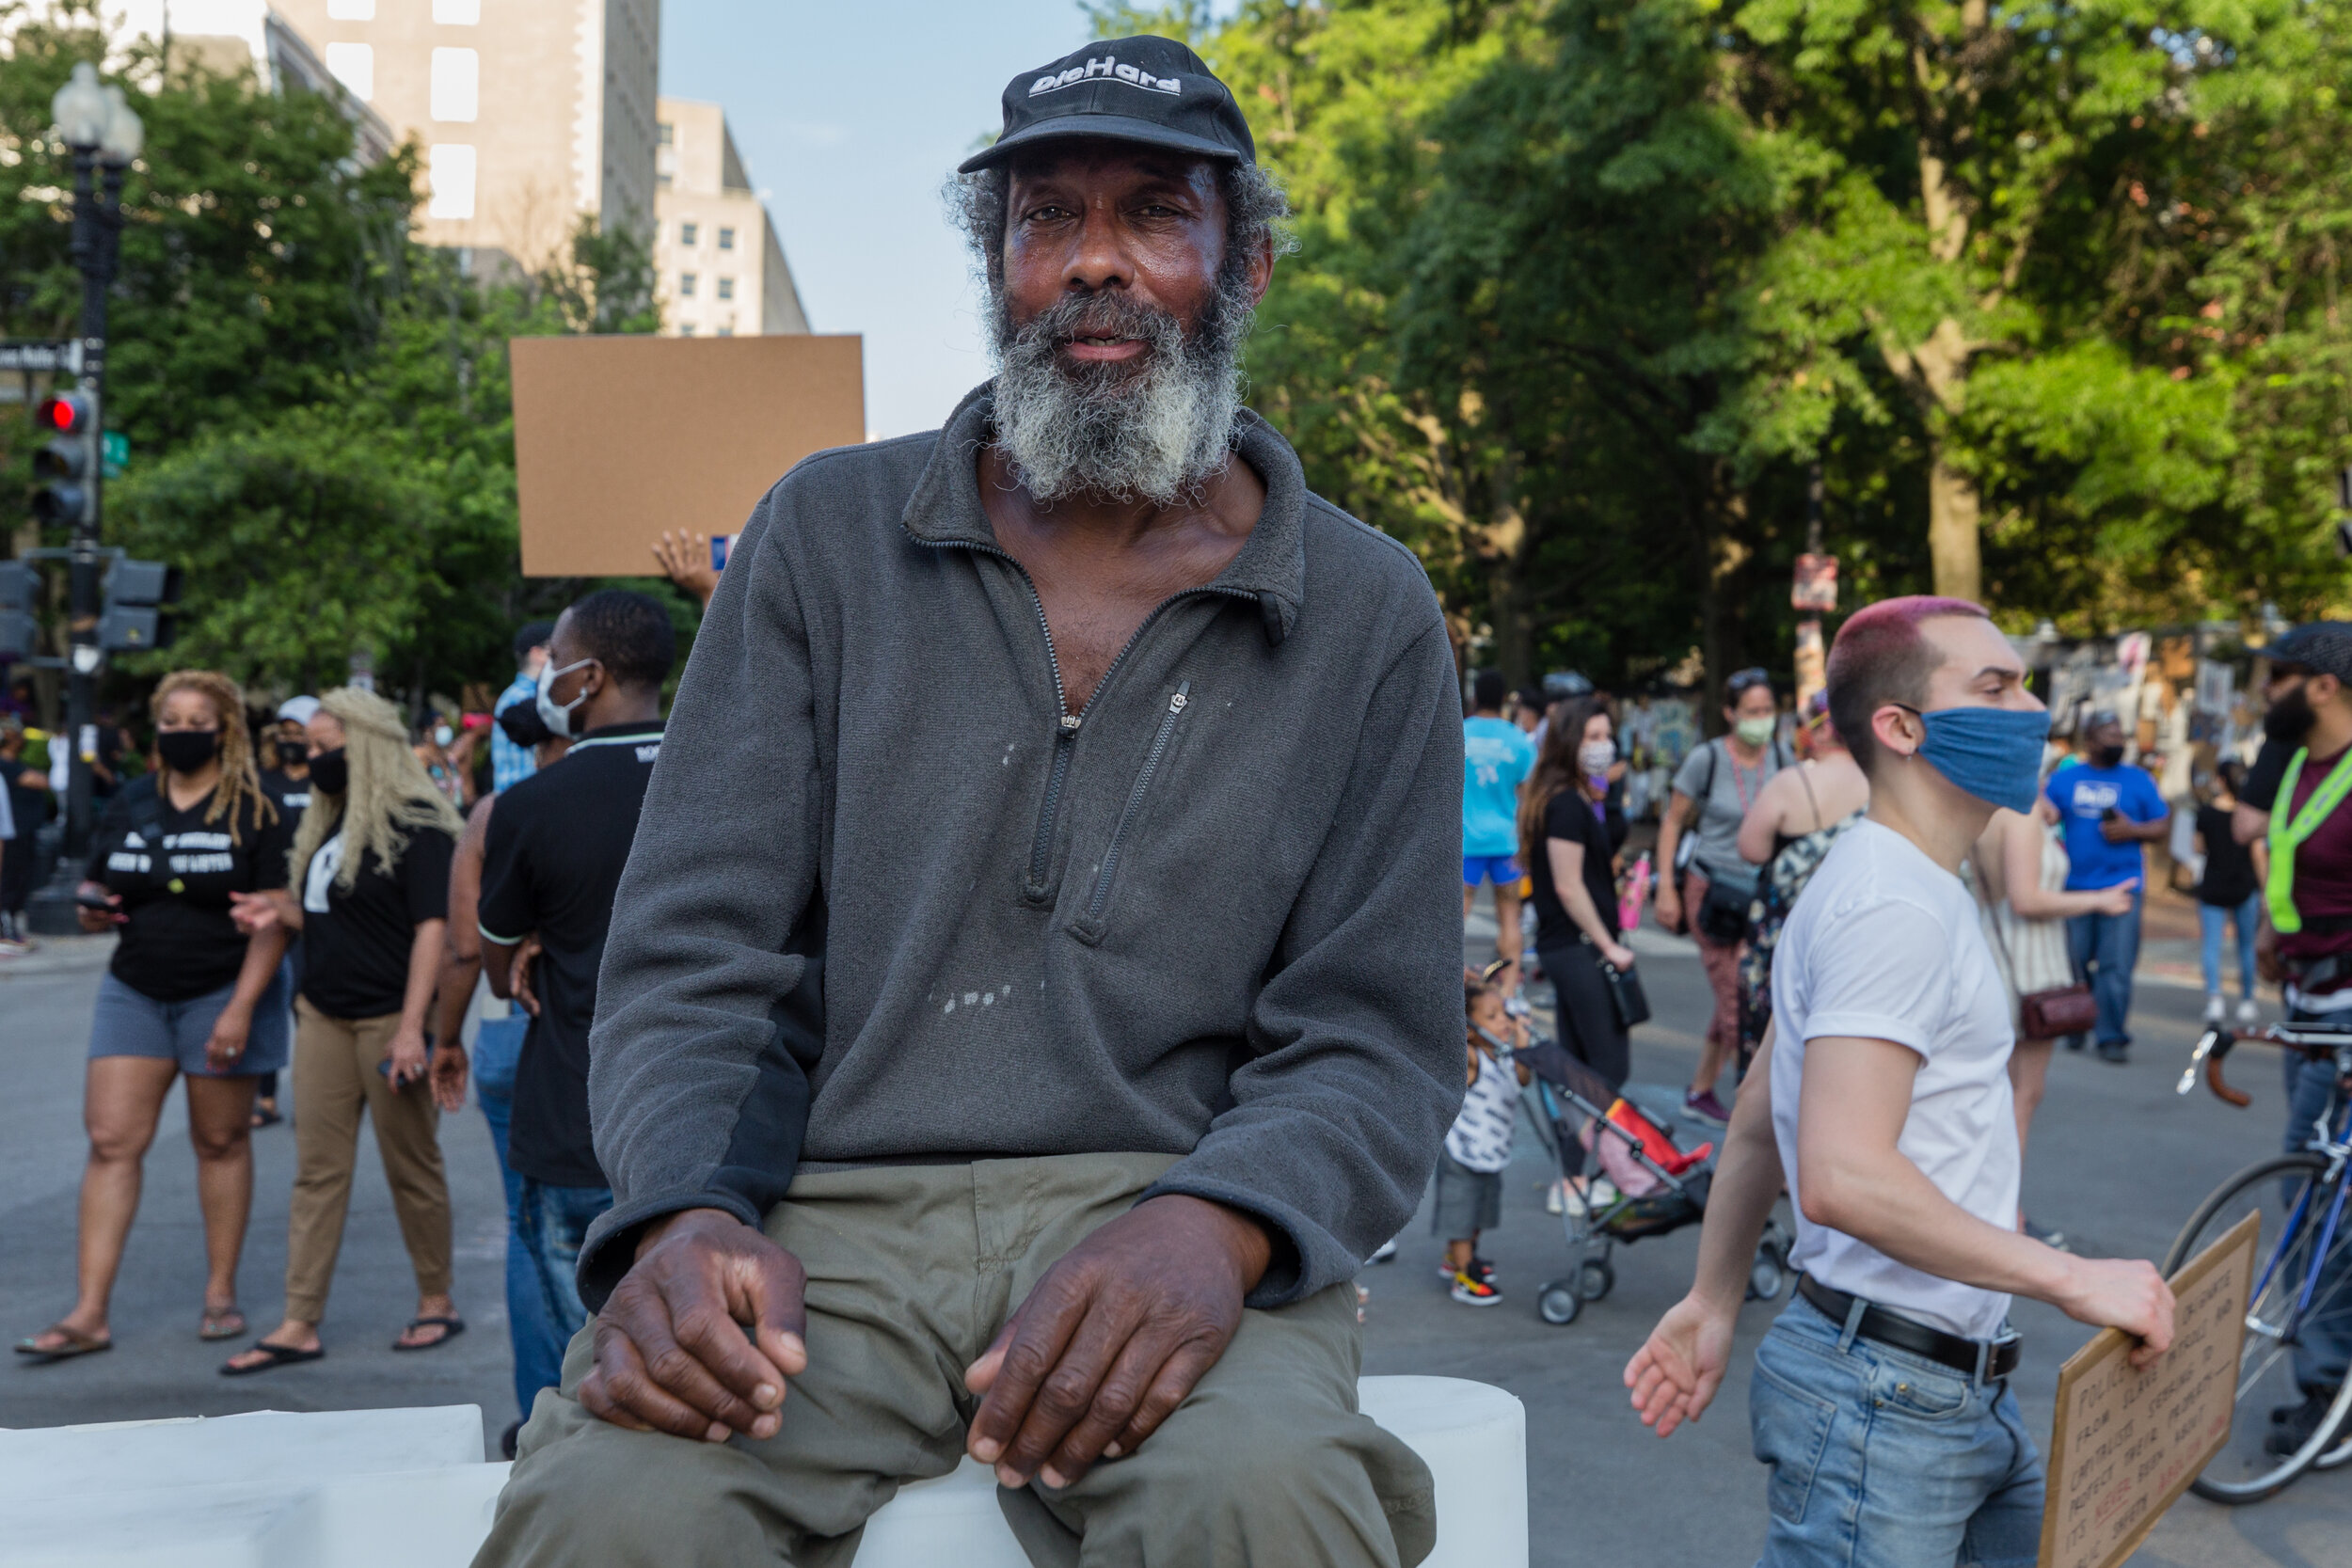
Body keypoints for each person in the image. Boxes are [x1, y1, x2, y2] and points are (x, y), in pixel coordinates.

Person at [473, 38, 1456, 1568]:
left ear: (1244, 261)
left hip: (1174, 1209)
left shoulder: (1367, 603)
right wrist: (681, 1214)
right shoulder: (822, 533)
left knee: (1261, 1504)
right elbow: (697, 951)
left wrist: (1224, 1225)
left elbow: (1375, 1030)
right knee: (606, 1511)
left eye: (1154, 217)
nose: (1094, 265)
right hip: (823, 1216)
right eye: (1045, 219)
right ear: (995, 263)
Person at [1625, 595, 2175, 1566]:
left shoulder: (1895, 881)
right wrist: (2073, 1275)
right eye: (1995, 686)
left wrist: (1712, 1299)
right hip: (1885, 1401)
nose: (2030, 710)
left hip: (1941, 1382)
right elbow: (1839, 1173)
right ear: (1900, 725)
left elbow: (1758, 1117)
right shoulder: (1893, 906)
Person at [13, 671, 294, 1362]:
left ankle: (220, 1292)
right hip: (133, 987)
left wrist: (239, 1008)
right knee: (110, 1140)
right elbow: (105, 881)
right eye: (170, 717)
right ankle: (88, 1311)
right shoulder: (131, 800)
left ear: (224, 729)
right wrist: (89, 903)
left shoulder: (252, 808)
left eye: (198, 717)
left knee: (219, 1140)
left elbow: (274, 918)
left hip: (221, 990)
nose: (182, 729)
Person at [220, 687, 468, 1374]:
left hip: (391, 1018)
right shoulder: (329, 825)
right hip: (324, 1014)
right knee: (315, 1174)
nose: (315, 760)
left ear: (367, 745)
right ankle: (300, 1319)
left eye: (329, 748)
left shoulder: (418, 825)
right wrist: (279, 911)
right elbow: (339, 916)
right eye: (311, 748)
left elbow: (432, 931)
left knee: (410, 1164)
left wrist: (415, 1027)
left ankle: (436, 1299)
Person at [476, 591, 674, 1431]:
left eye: (553, 665)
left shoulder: (531, 807)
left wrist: (524, 945)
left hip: (580, 1118)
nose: (544, 683)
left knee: (585, 1367)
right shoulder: (746, 772)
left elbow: (496, 967)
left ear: (587, 678)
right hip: (733, 1120)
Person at [439, 711, 572, 1459]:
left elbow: (468, 944)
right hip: (600, 1036)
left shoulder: (499, 812)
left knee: (532, 1230)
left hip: (510, 1029)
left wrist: (444, 1038)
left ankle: (543, 1408)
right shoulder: (646, 784)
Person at [2242, 623, 2352, 1452]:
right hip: (2308, 1000)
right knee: (2322, 1193)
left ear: (2321, 685)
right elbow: (2281, 855)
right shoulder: (2299, 766)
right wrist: (2275, 934)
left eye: (2277, 676)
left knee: (2315, 1198)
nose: (2262, 689)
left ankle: (2327, 1388)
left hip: (2347, 1009)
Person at [1654, 666, 1791, 1124]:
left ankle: (1700, 1091)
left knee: (1734, 991)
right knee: (1740, 1006)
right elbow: (1672, 822)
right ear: (1730, 713)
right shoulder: (1707, 759)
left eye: (1767, 710)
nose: (1761, 719)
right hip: (1710, 891)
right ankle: (1762, 1121)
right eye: (1752, 711)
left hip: (1759, 893)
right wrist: (1667, 889)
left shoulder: (1781, 755)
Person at [1734, 690, 1870, 1065]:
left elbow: (1751, 848)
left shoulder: (1791, 782)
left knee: (1774, 1049)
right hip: (1850, 930)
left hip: (1785, 934)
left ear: (1824, 728)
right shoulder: (1879, 781)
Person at [1521, 695, 1638, 1093]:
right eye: (1593, 736)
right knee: (1609, 1065)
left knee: (1579, 1063)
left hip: (1574, 947)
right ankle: (1604, 1149)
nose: (1605, 744)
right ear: (1570, 742)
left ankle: (1576, 1147)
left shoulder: (1580, 797)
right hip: (1577, 946)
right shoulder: (1567, 805)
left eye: (1607, 735)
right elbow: (1567, 886)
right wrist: (1609, 947)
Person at [2044, 709, 2169, 1063]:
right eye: (2109, 735)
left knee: (2116, 966)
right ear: (2090, 739)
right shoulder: (2065, 780)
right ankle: (2074, 1024)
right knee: (2074, 961)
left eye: (2120, 735)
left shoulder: (2139, 780)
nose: (2117, 741)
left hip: (2123, 887)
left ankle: (2111, 1036)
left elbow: (2162, 826)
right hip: (2075, 888)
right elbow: (2043, 815)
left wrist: (2133, 831)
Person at [1438, 979, 1532, 1306]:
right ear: (1468, 1029)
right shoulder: (1472, 1058)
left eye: (1504, 1013)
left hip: (1492, 1153)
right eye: (1492, 1017)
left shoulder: (1503, 1054)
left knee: (1479, 1214)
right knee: (1462, 1217)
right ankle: (1463, 1276)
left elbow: (1523, 1078)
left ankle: (1459, 1259)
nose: (1504, 1021)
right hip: (1462, 1156)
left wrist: (1522, 1041)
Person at [250, 694, 321, 1127]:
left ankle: (313, 1095)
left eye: (301, 731)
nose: (292, 739)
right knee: (262, 998)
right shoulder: (262, 782)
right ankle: (265, 1098)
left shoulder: (328, 778)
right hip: (272, 904)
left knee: (306, 1004)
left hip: (314, 906)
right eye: (286, 731)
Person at [1464, 667, 1537, 981]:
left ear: (1475, 696)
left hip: (1466, 842)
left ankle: (1447, 988)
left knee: (1456, 919)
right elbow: (1529, 797)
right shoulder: (1519, 741)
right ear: (1505, 700)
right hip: (1507, 841)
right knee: (1510, 916)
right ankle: (1509, 990)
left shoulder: (1458, 732)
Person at [2194, 759, 2265, 1028]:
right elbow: (2259, 854)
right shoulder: (2250, 815)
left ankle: (2215, 998)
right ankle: (2247, 1000)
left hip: (2213, 884)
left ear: (2221, 779)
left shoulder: (2206, 812)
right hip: (2245, 886)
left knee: (2211, 945)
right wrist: (2266, 889)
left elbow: (2198, 847)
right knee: (2246, 946)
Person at [492, 622, 557, 795]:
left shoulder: (516, 694)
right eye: (555, 650)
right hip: (522, 796)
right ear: (537, 654)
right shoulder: (523, 698)